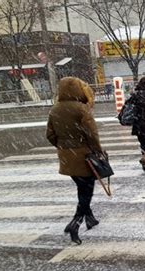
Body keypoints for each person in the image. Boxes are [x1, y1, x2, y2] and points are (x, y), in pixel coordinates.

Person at [46, 77, 102, 245]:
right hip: (84, 156)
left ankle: (89, 218)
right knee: (87, 190)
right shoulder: (81, 109)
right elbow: (92, 134)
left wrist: (63, 146)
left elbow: (50, 135)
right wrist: (98, 151)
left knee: (81, 187)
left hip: (66, 156)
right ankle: (75, 223)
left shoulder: (55, 109)